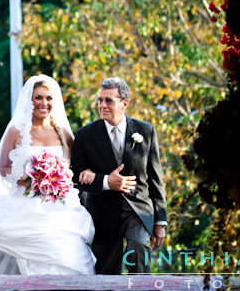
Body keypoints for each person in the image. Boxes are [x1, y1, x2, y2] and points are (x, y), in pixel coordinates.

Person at [0, 75, 96, 275]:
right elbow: (3, 166)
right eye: (38, 97)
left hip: (60, 206)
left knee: (67, 251)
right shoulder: (16, 131)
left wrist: (60, 177)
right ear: (29, 100)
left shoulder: (64, 133)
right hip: (25, 200)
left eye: (49, 98)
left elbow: (77, 166)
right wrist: (27, 181)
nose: (44, 103)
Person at [71, 77, 168, 274]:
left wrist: (160, 221)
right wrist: (106, 181)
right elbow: (75, 178)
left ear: (125, 103)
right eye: (99, 100)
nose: (102, 105)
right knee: (106, 272)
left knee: (139, 250)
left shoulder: (146, 131)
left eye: (109, 100)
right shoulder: (84, 135)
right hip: (102, 212)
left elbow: (155, 178)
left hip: (138, 208)